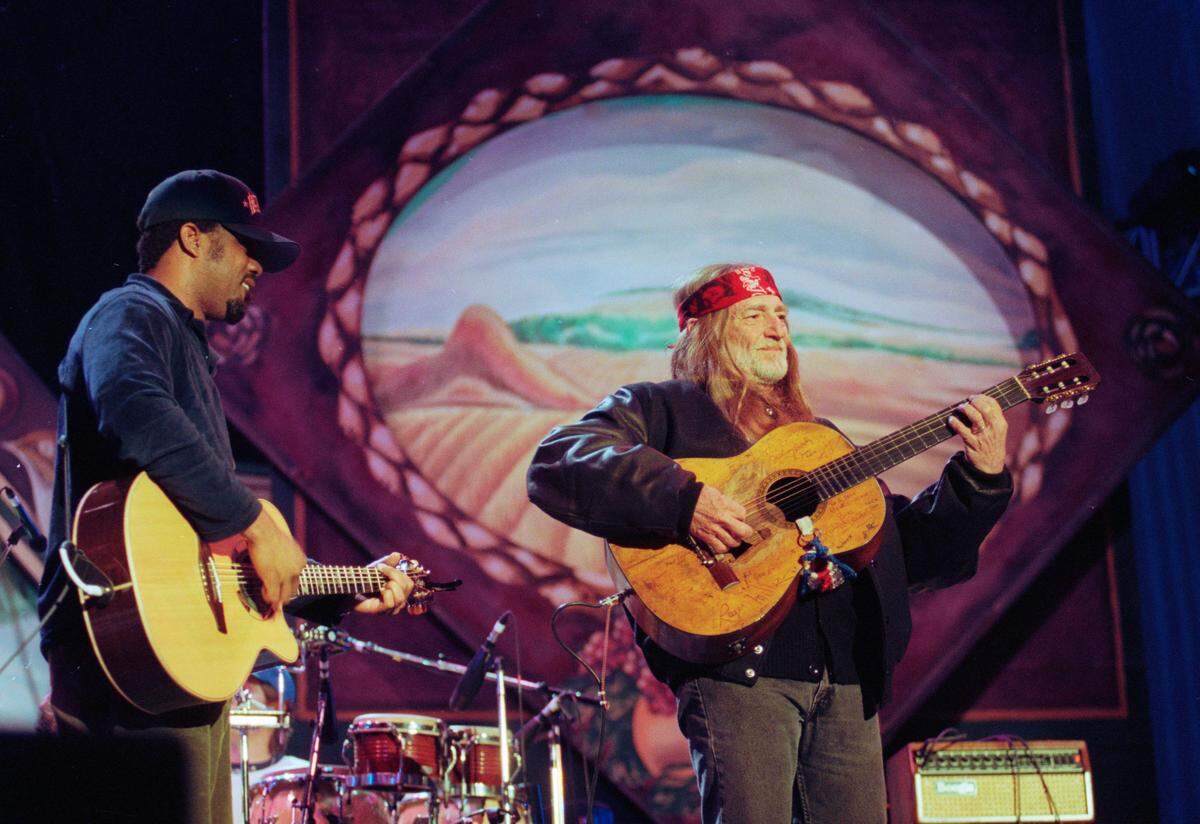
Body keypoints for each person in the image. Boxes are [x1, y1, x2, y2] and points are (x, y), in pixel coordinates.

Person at [527, 263, 1013, 823]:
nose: (776, 327)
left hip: (847, 680)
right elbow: (560, 459)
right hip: (740, 673)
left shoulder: (818, 439)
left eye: (781, 315)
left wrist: (977, 480)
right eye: (753, 315)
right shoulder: (663, 409)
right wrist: (684, 500)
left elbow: (903, 551)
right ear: (705, 332)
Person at [36, 169, 415, 824]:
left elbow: (223, 565)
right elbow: (131, 403)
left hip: (177, 675)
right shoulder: (130, 315)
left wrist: (346, 588)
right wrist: (254, 522)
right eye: (245, 246)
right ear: (192, 238)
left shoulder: (183, 346)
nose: (256, 267)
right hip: (128, 666)